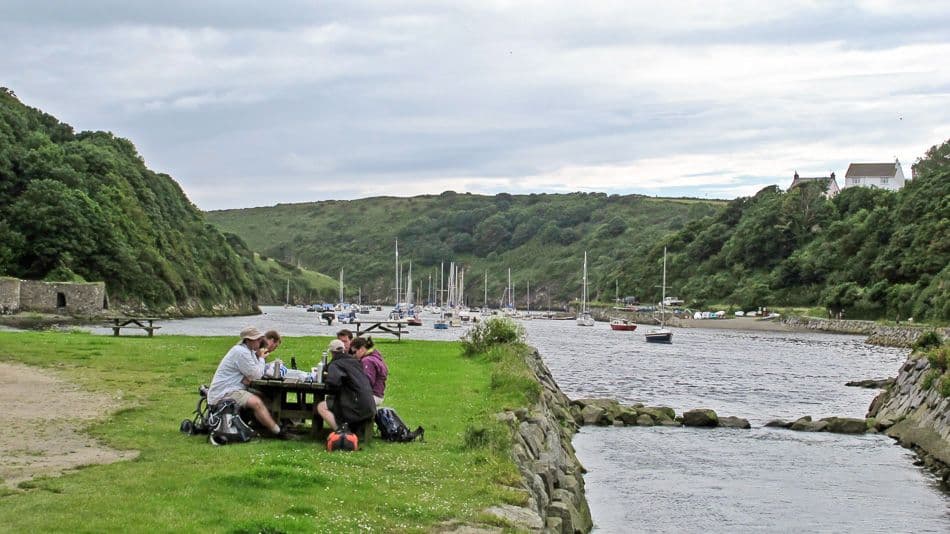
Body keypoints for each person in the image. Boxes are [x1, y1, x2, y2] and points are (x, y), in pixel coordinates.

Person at [207, 327, 285, 438]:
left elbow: (253, 374)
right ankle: (278, 432)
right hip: (225, 391)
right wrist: (262, 358)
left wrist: (257, 361)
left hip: (235, 387)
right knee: (256, 402)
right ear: (248, 340)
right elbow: (257, 374)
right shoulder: (241, 352)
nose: (260, 342)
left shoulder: (249, 351)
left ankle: (260, 426)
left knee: (264, 397)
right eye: (257, 340)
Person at [316, 339, 376, 432]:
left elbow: (333, 383)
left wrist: (326, 379)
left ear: (332, 352)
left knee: (321, 406)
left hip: (356, 405)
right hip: (369, 404)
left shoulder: (336, 364)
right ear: (344, 350)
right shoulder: (355, 362)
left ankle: (341, 432)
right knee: (334, 402)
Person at [352, 336, 388, 407]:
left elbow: (367, 381)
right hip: (377, 395)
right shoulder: (375, 357)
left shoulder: (367, 361)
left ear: (362, 349)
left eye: (354, 351)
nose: (353, 355)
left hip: (372, 396)